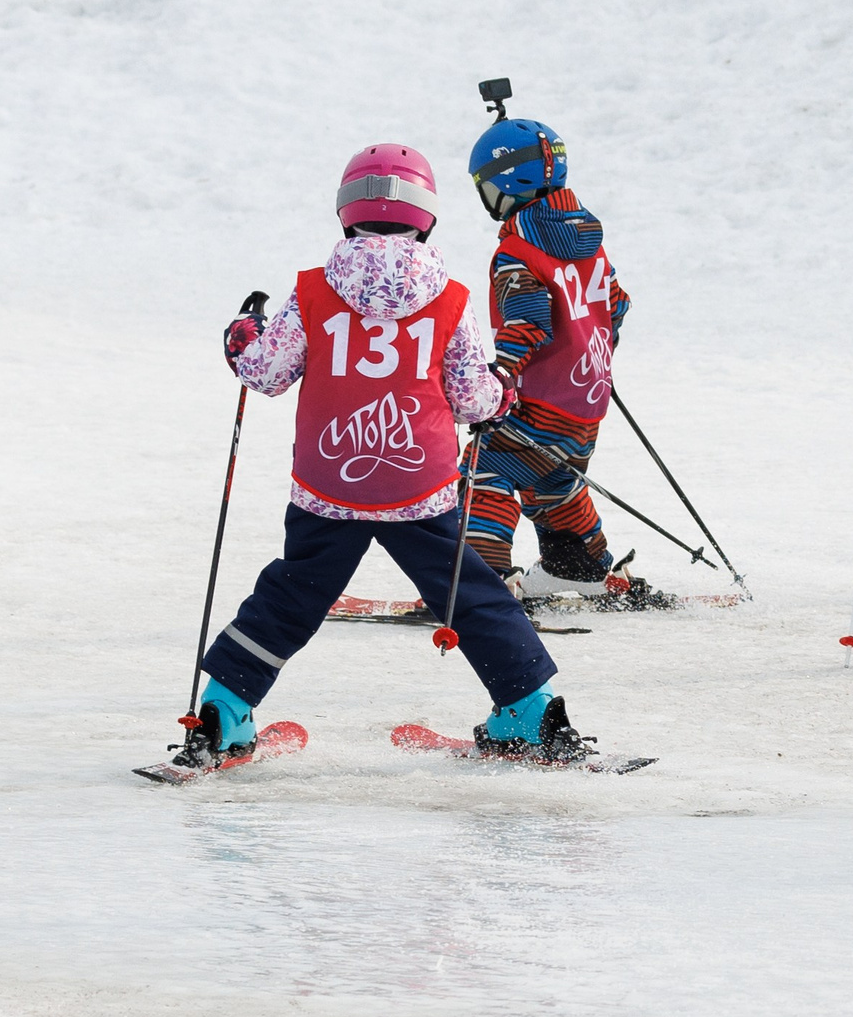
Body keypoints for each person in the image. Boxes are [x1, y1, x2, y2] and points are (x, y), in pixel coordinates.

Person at [169, 144, 592, 768]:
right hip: (417, 486)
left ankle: (221, 712)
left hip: (328, 482)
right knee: (470, 594)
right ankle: (533, 711)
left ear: (346, 212)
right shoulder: (449, 298)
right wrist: (502, 387)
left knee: (291, 595)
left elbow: (264, 373)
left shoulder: (312, 290)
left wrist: (242, 333)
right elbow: (475, 400)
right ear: (427, 217)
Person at [462, 105, 642, 600]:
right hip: (586, 400)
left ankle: (479, 584)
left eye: (485, 184)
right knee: (554, 476)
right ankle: (577, 565)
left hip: (538, 401)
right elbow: (617, 304)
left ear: (506, 182)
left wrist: (494, 380)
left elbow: (527, 323)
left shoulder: (517, 251)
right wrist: (593, 350)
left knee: (488, 469)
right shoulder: (586, 240)